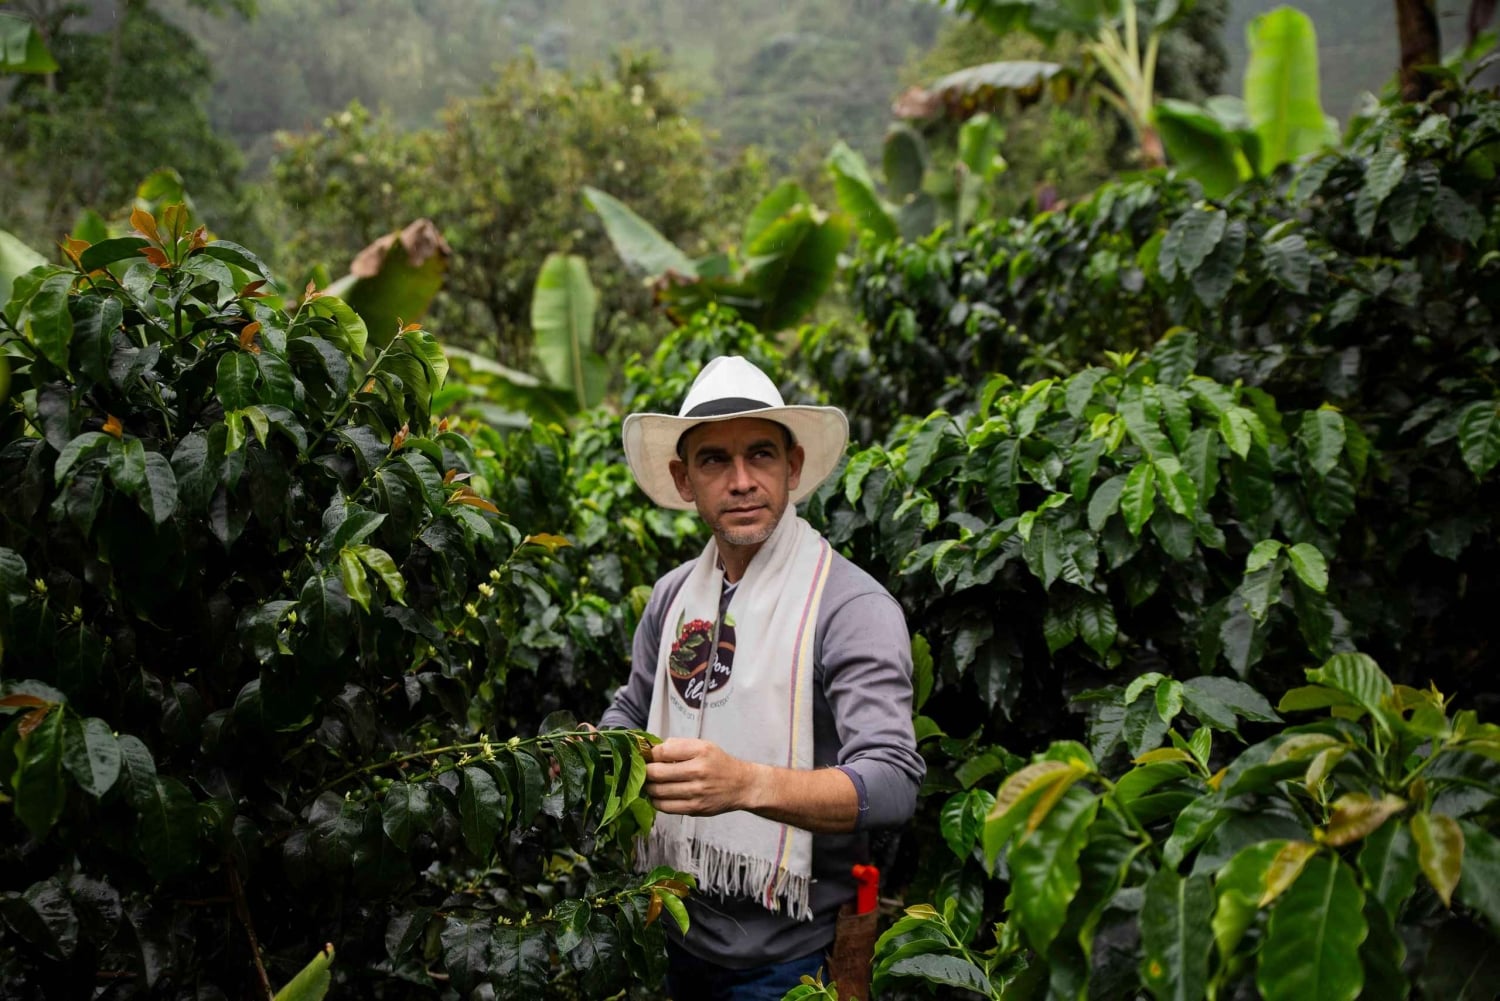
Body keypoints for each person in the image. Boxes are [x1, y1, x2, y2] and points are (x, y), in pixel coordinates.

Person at [599, 355, 925, 1001]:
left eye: (761, 455)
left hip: (795, 957)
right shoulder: (672, 598)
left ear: (793, 467)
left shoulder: (847, 606)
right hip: (676, 929)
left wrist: (746, 783)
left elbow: (893, 782)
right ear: (683, 478)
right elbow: (629, 711)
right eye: (715, 460)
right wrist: (598, 753)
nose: (742, 480)